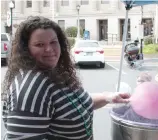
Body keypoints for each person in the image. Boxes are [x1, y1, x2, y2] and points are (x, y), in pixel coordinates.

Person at [2, 16, 130, 140]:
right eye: (39, 44)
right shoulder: (30, 89)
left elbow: (73, 105)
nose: (49, 49)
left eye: (53, 42)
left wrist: (107, 97)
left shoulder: (53, 72)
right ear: (26, 49)